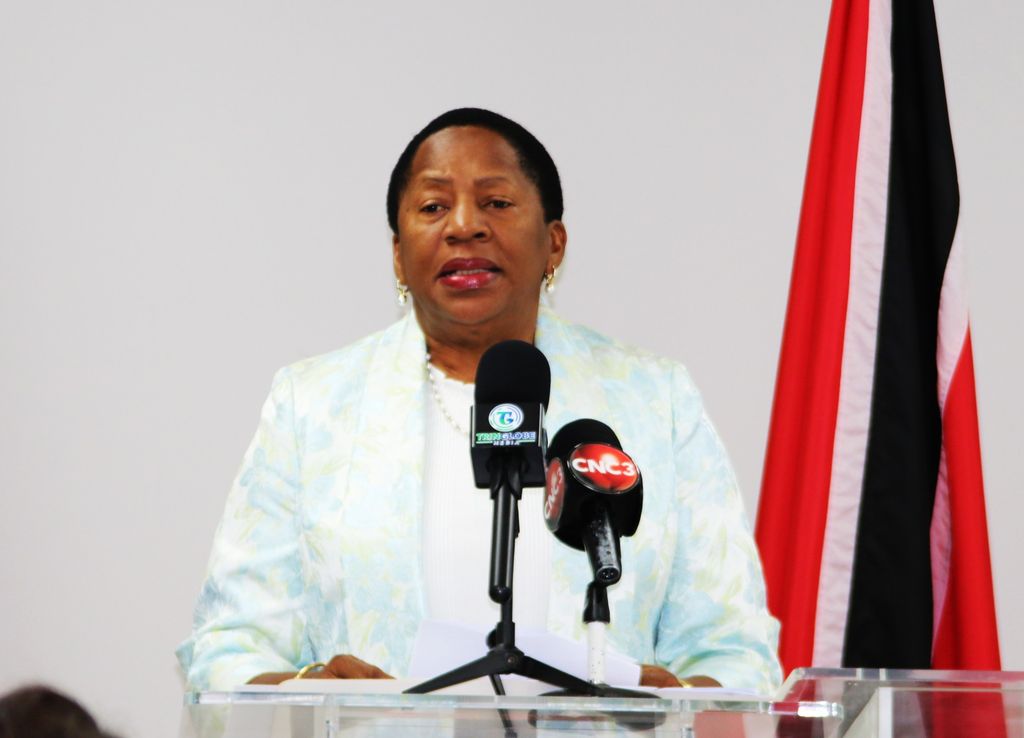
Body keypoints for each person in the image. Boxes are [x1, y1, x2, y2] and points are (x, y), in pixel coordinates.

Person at [177, 108, 782, 694]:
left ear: (555, 245)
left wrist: (671, 697)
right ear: (397, 255)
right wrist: (310, 686)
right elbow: (230, 646)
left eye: (496, 202)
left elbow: (736, 651)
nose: (464, 225)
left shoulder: (655, 399)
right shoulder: (312, 405)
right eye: (434, 206)